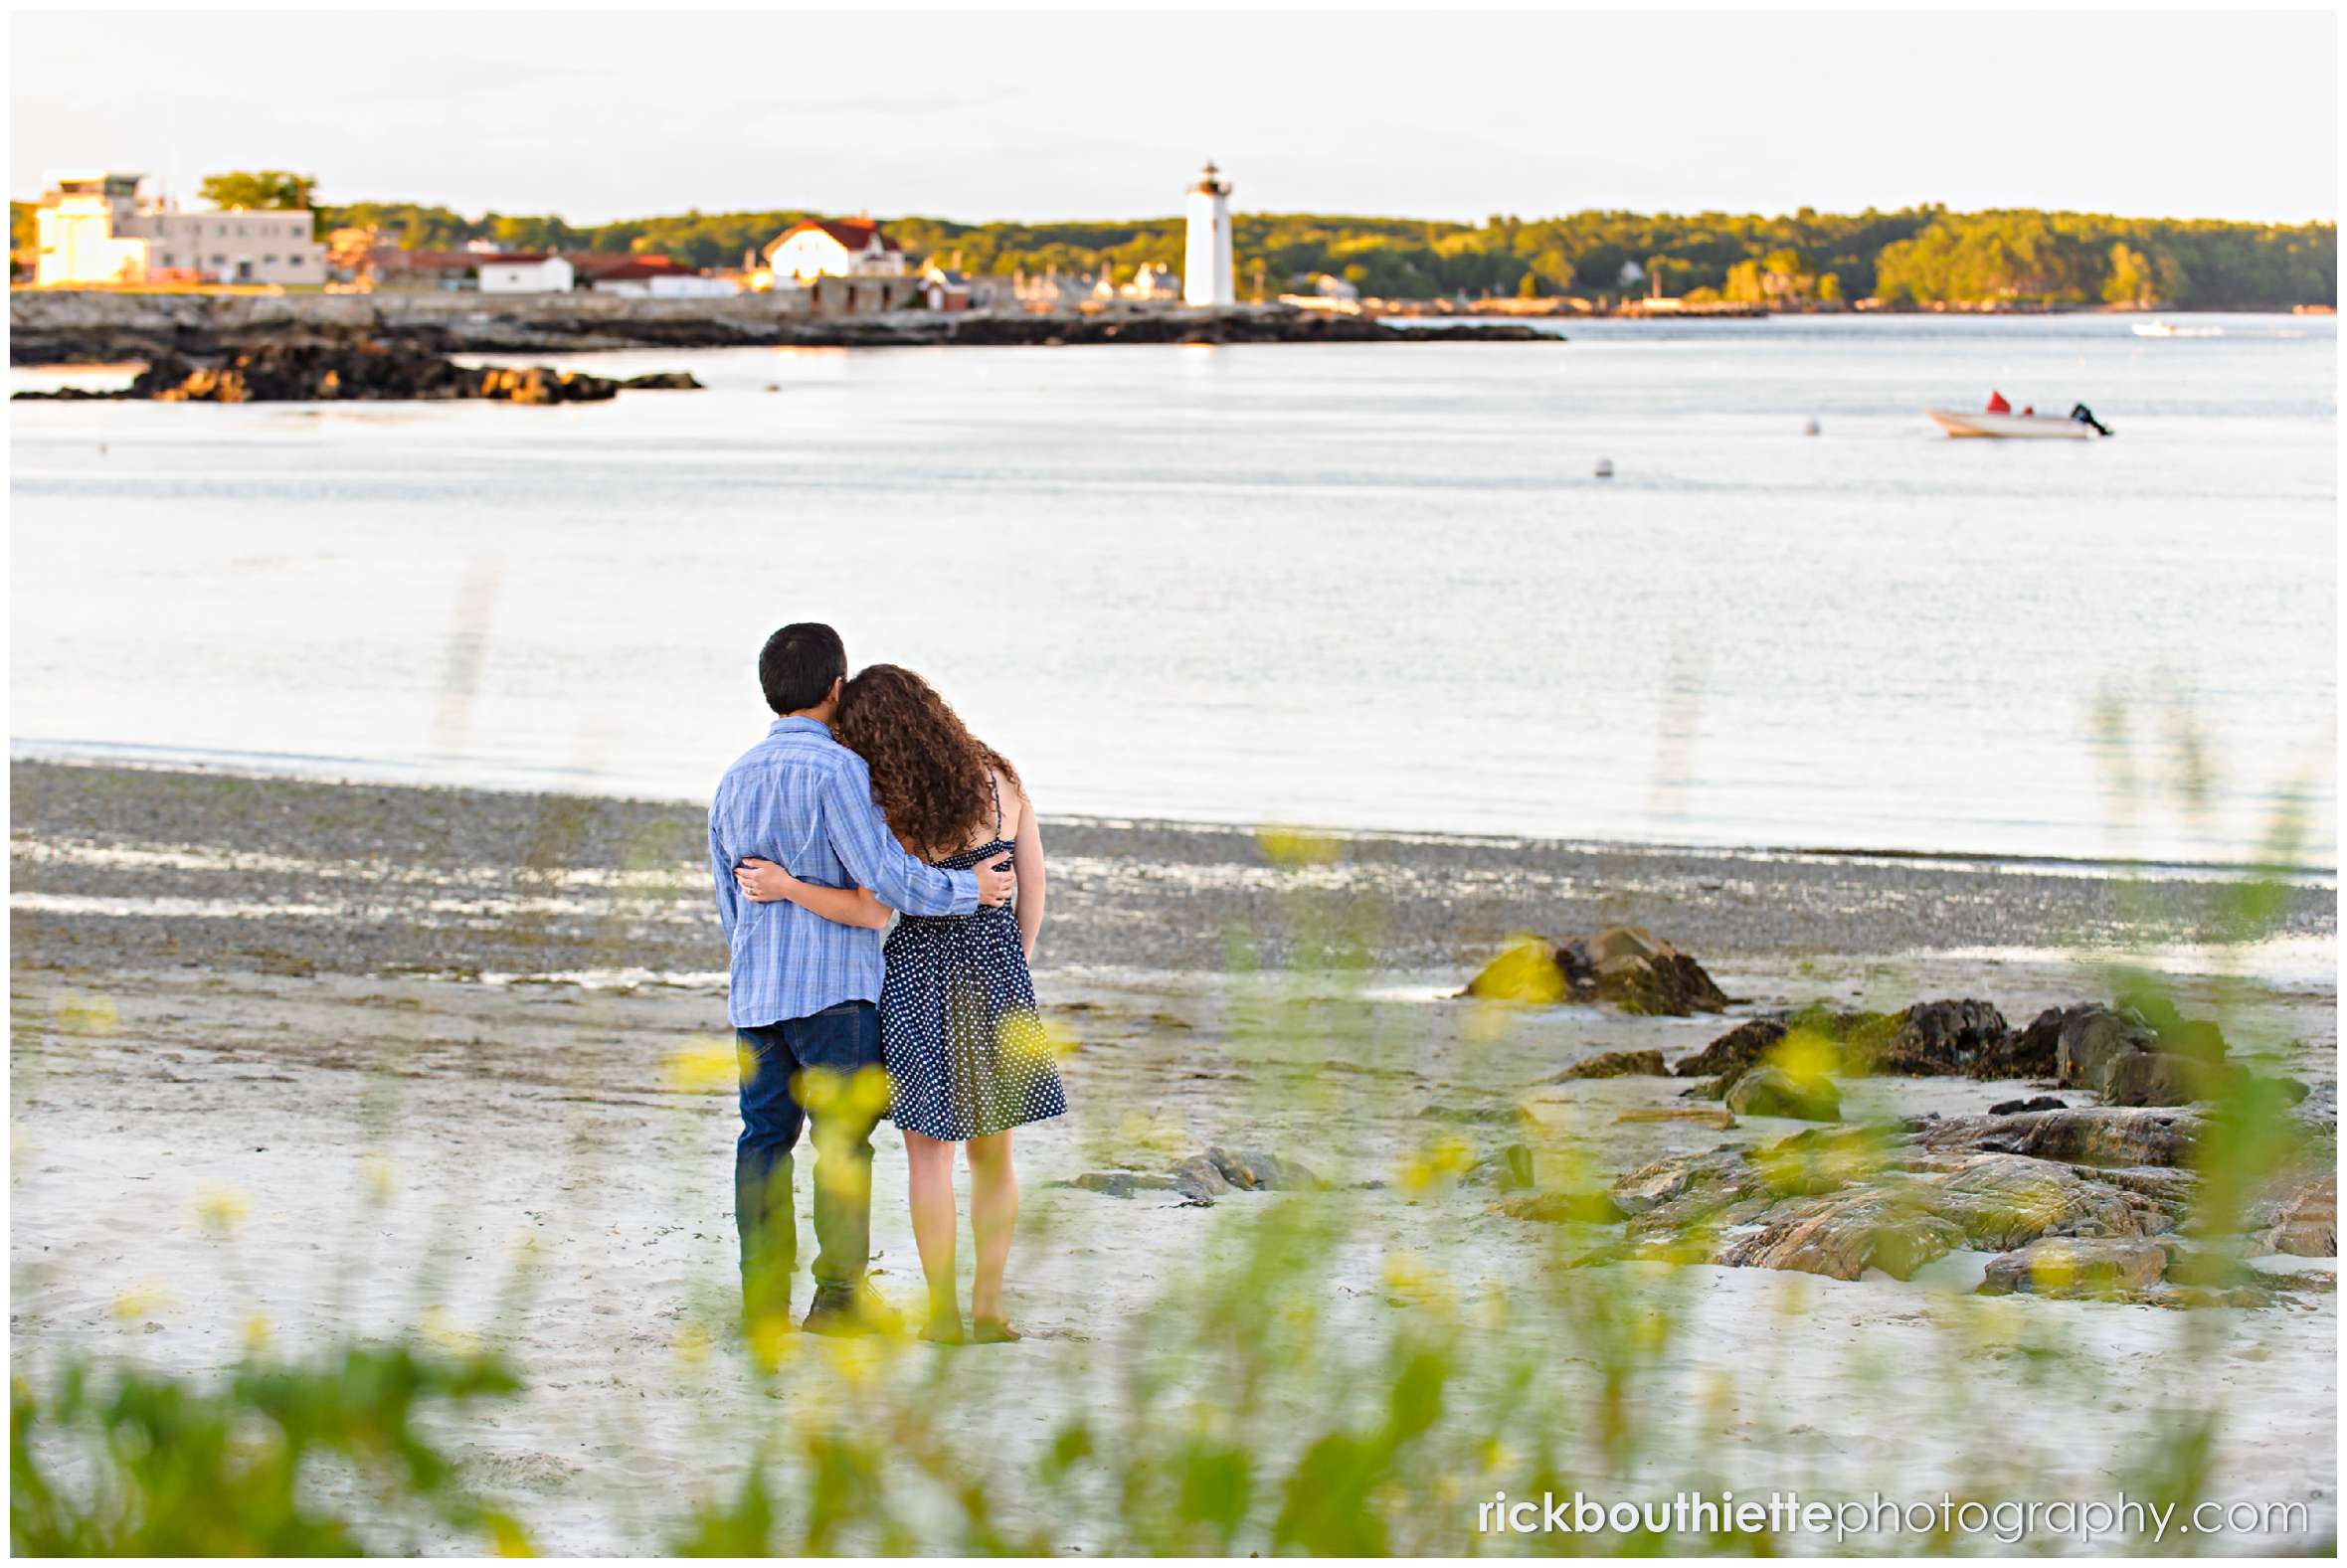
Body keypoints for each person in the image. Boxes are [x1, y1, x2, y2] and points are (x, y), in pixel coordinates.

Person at [734, 664, 1063, 1345]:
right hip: (996, 973)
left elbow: (878, 902)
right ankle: (990, 1309)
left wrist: (787, 886)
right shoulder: (1003, 780)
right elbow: (1034, 887)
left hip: (917, 976)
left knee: (929, 1160)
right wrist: (1012, 960)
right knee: (994, 1158)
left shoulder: (900, 802)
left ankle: (941, 1313)